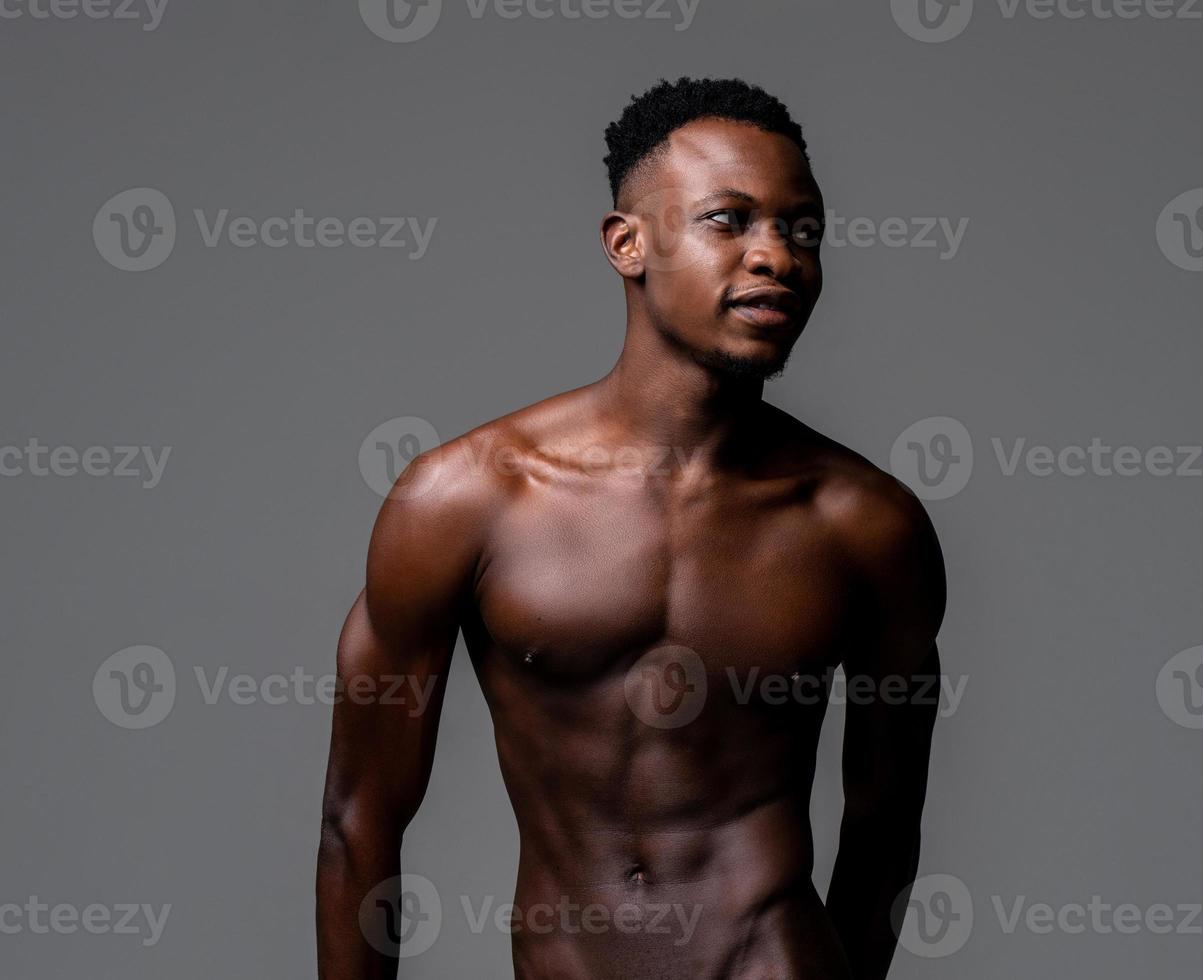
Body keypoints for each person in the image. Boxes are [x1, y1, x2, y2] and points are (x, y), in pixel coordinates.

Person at [316, 76, 948, 980]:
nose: (777, 256)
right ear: (629, 244)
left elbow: (886, 826)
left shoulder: (864, 525)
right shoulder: (465, 500)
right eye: (728, 221)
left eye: (802, 230)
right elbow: (359, 820)